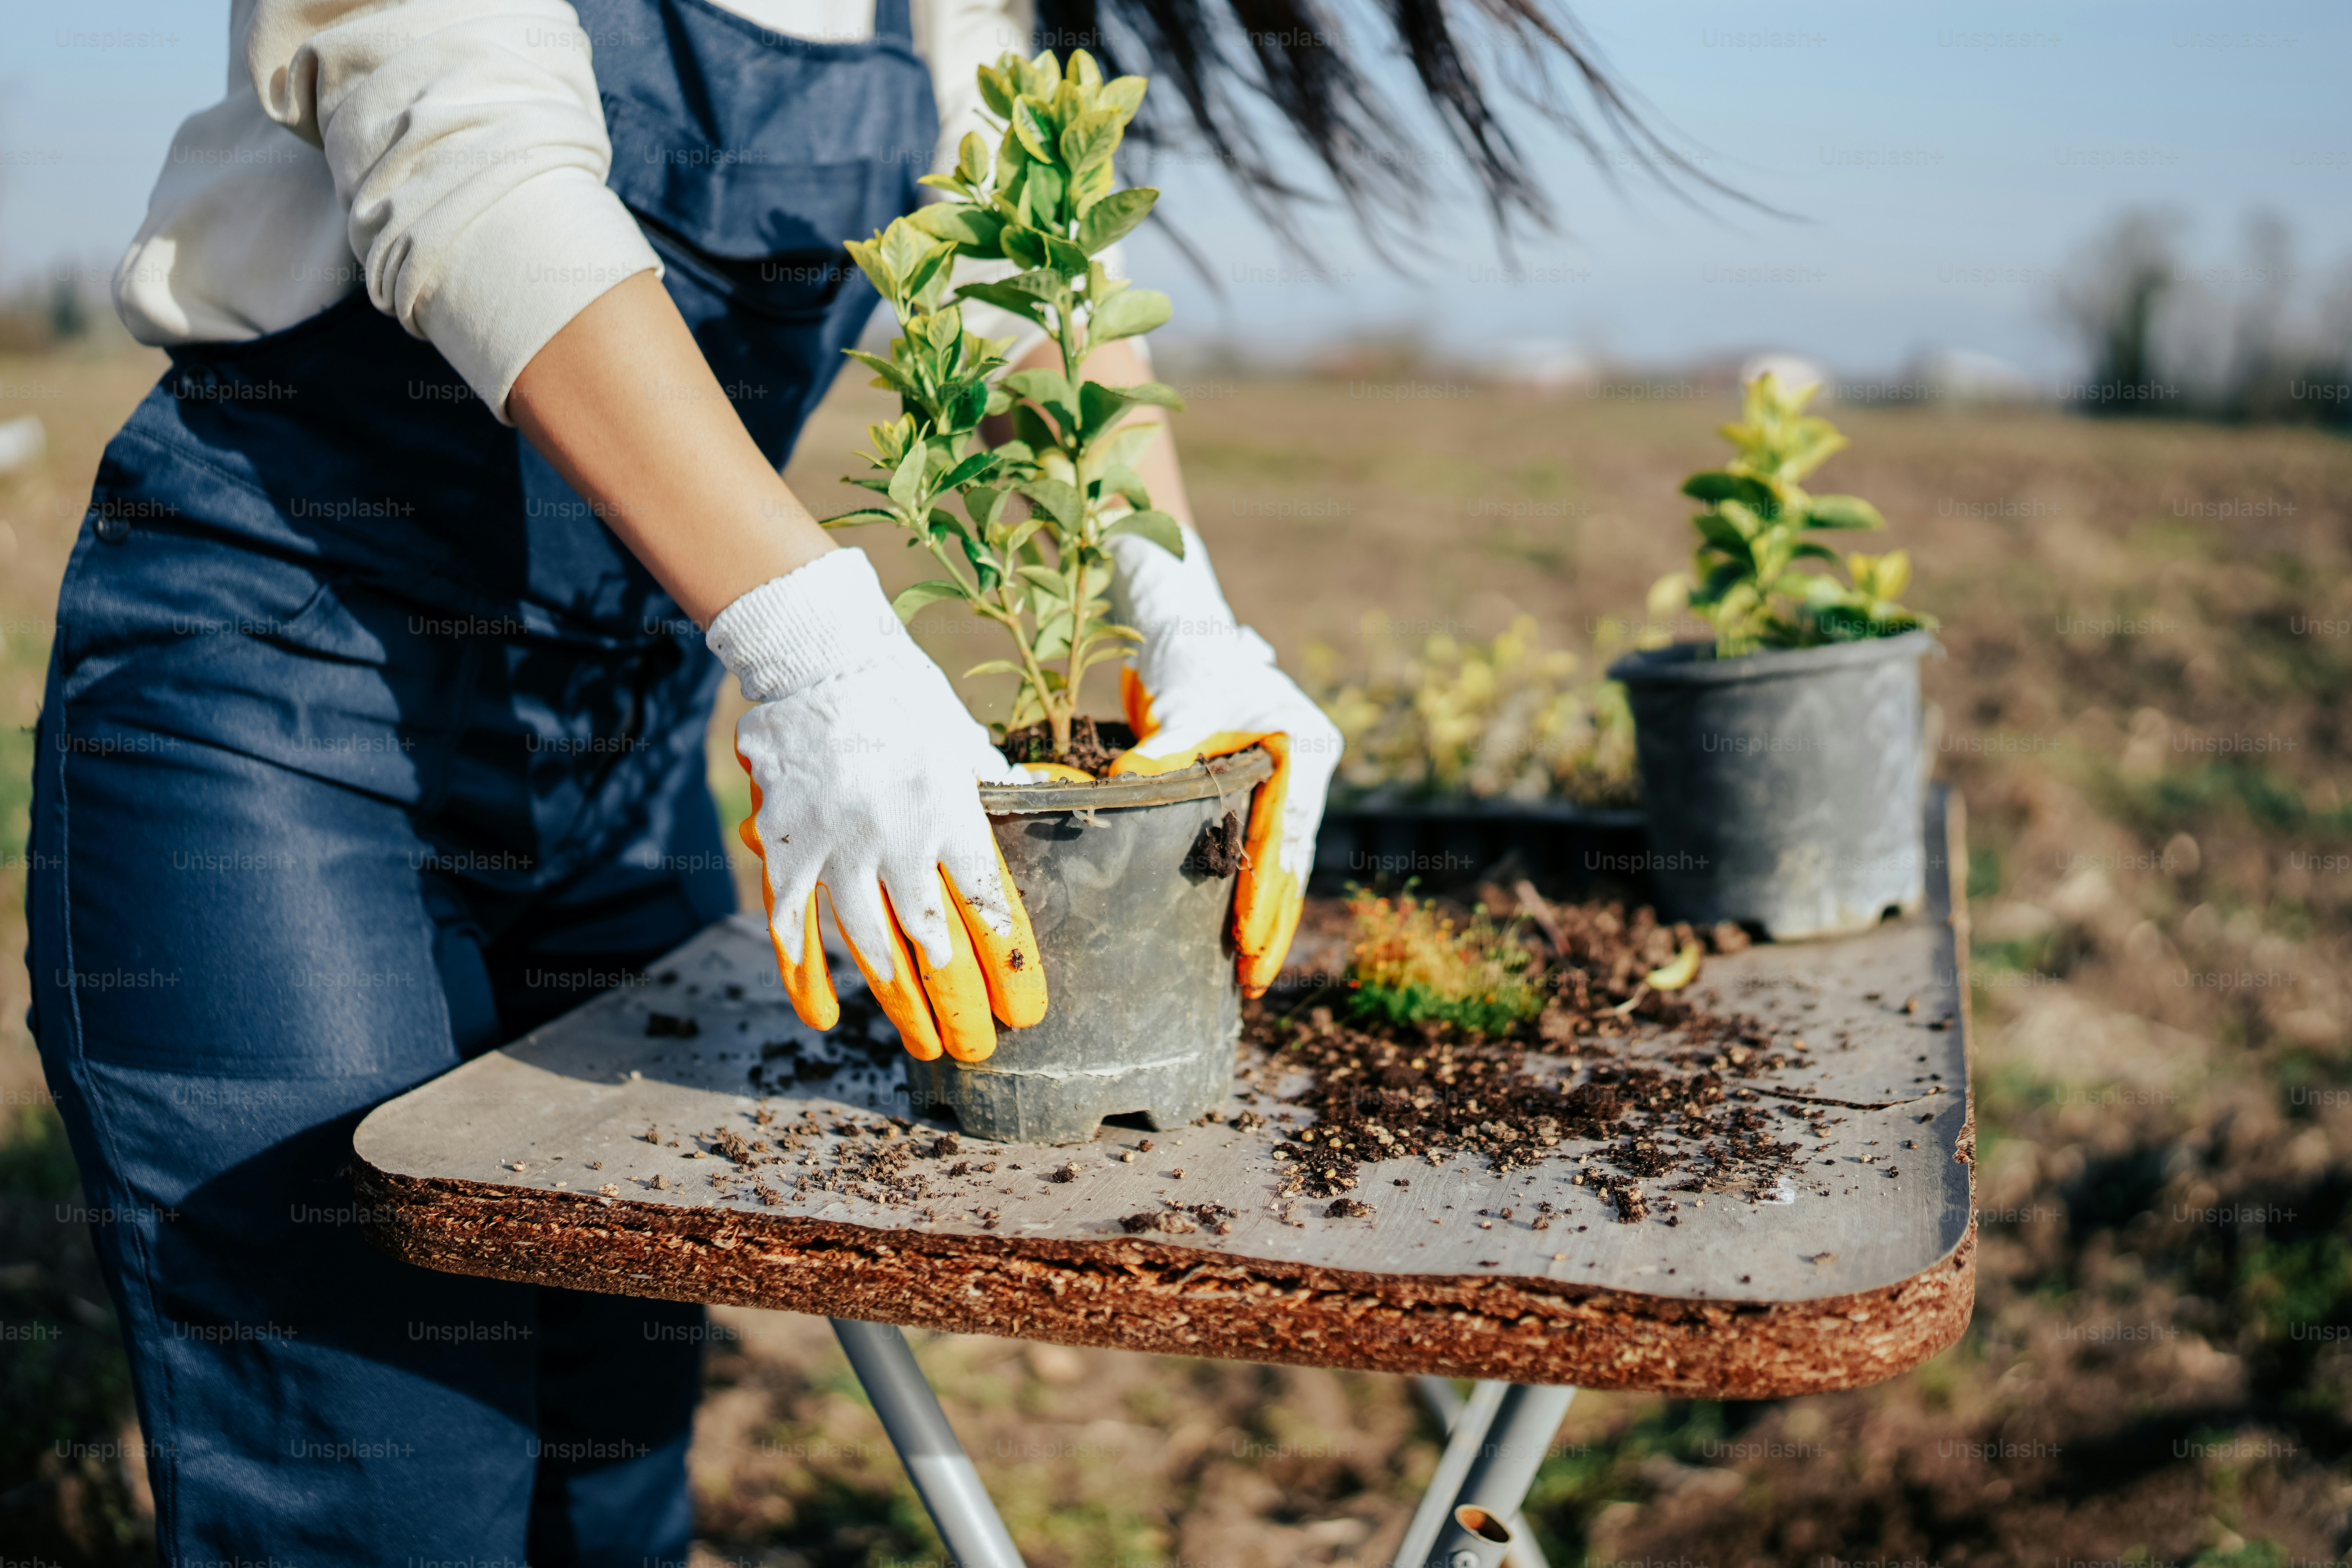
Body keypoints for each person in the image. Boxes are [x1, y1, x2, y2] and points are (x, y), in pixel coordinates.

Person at [27, 0, 1652, 1558]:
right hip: (279, 703)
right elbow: (469, 166)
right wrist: (822, 650)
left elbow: (1035, 258)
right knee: (376, 1465)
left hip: (620, 734)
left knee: (613, 1455)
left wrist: (1187, 612)